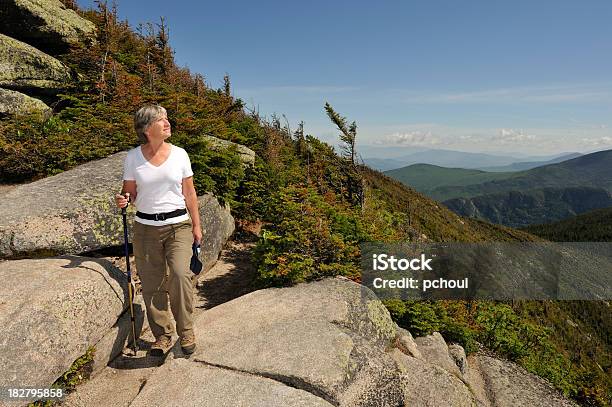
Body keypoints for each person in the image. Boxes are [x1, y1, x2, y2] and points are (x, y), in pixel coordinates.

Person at [115, 104, 202, 356]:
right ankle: (162, 336)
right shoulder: (133, 157)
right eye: (160, 120)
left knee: (179, 275)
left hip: (178, 226)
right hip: (145, 228)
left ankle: (185, 330)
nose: (167, 123)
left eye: (166, 119)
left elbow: (189, 192)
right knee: (152, 283)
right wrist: (124, 200)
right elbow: (129, 192)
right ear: (146, 128)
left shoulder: (180, 154)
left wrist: (197, 225)